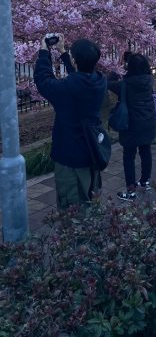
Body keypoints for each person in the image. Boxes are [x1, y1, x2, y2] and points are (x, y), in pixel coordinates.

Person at [34, 35, 106, 210]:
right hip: (92, 149)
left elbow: (43, 80)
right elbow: (79, 77)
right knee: (92, 196)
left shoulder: (66, 89)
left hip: (70, 155)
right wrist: (64, 53)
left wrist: (44, 52)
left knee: (72, 206)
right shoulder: (99, 81)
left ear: (75, 60)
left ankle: (79, 236)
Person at [108, 52, 156, 201]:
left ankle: (131, 191)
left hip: (131, 125)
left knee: (128, 157)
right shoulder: (149, 80)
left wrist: (113, 72)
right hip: (147, 122)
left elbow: (108, 83)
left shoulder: (125, 84)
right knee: (145, 151)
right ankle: (145, 181)